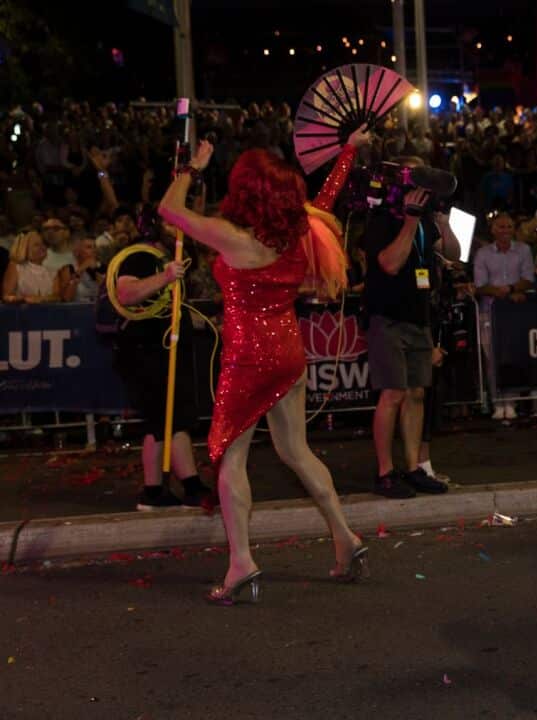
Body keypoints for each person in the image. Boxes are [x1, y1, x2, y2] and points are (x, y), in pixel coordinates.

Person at [159, 138, 365, 605]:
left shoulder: (235, 239)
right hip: (289, 353)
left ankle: (241, 563)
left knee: (232, 459)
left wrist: (191, 168)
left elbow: (169, 210)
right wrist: (348, 152)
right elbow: (328, 198)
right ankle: (345, 537)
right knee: (296, 450)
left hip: (250, 358)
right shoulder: (304, 229)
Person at [361, 154, 459, 498]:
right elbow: (389, 263)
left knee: (417, 393)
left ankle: (414, 467)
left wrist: (442, 223)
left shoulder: (426, 220)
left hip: (419, 316)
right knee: (393, 393)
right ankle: (385, 472)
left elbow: (455, 252)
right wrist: (409, 221)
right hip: (387, 316)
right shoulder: (382, 218)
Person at [108, 207, 210, 510]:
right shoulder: (140, 256)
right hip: (146, 350)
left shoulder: (165, 258)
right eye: (169, 221)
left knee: (174, 419)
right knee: (160, 420)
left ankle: (182, 487)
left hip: (165, 349)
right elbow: (125, 293)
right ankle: (158, 490)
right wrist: (165, 277)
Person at [473, 212, 534, 420]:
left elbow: (528, 279)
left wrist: (511, 289)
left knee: (514, 356)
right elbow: (480, 286)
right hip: (488, 312)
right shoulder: (482, 254)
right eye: (501, 227)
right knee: (492, 359)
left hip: (515, 314)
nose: (505, 230)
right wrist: (501, 291)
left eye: (509, 226)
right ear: (492, 229)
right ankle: (498, 402)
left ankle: (513, 402)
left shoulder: (524, 250)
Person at [2, 231, 60, 303]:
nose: (42, 247)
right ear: (25, 248)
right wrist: (22, 299)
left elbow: (57, 297)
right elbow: (6, 296)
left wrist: (41, 299)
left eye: (44, 244)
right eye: (36, 245)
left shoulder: (53, 272)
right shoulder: (16, 267)